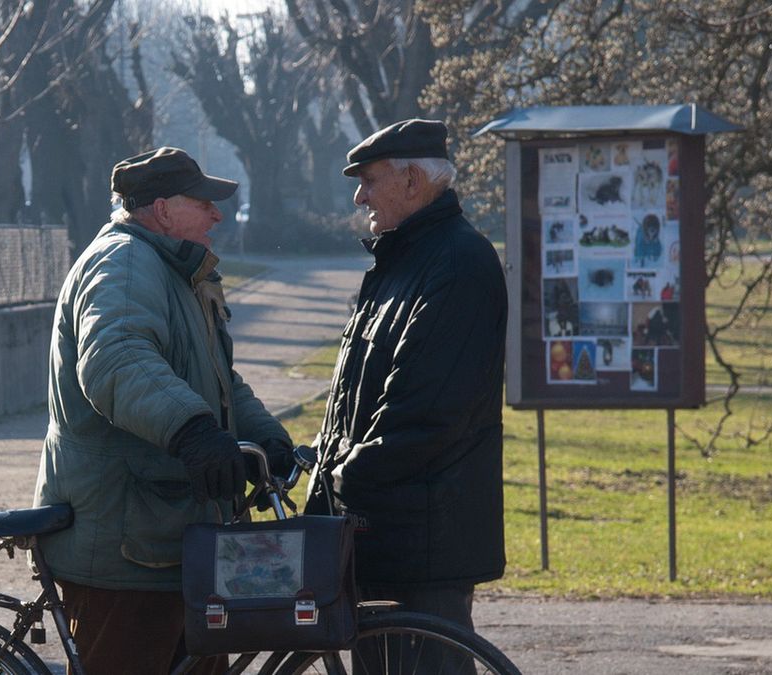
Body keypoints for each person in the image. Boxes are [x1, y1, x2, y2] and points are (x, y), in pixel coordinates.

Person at [33, 146, 294, 675]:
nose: (217, 214)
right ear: (163, 209)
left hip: (168, 535)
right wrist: (194, 432)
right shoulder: (125, 262)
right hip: (125, 545)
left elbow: (220, 381)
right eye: (204, 202)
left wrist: (268, 440)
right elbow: (116, 361)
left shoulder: (175, 271)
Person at [305, 119, 508, 671]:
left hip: (425, 541)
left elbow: (425, 413)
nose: (358, 195)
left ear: (413, 180)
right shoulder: (403, 261)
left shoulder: (457, 263)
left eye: (370, 180)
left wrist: (342, 478)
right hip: (386, 531)